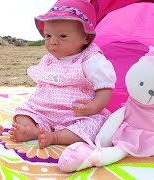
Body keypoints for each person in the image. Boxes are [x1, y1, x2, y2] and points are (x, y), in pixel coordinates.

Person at [9, 0, 116, 149]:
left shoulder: (91, 59)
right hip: (44, 109)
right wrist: (37, 105)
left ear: (86, 37)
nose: (53, 42)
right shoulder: (49, 59)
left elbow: (104, 89)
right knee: (23, 112)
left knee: (94, 125)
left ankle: (56, 137)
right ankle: (32, 130)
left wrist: (93, 107)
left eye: (63, 36)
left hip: (75, 114)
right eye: (48, 36)